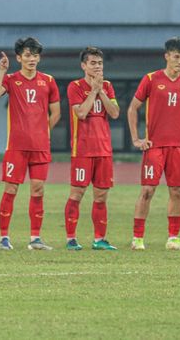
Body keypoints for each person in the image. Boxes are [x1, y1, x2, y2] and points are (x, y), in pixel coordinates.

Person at [127, 37, 180, 251]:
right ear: (167, 56)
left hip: (178, 148)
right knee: (147, 190)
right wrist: (136, 139)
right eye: (176, 57)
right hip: (154, 147)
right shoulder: (151, 79)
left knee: (177, 191)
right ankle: (137, 238)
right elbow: (133, 108)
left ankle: (173, 238)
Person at [0, 37, 61, 251]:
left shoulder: (48, 81)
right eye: (28, 55)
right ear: (19, 57)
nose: (32, 59)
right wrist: (1, 70)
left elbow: (55, 112)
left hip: (40, 147)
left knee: (38, 190)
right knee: (11, 188)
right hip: (16, 147)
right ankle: (4, 238)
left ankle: (35, 239)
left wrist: (44, 132)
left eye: (35, 55)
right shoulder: (11, 79)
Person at [64, 46, 120, 251]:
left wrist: (101, 90)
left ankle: (99, 239)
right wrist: (94, 90)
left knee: (101, 196)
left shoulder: (108, 86)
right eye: (93, 63)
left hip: (104, 150)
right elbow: (81, 113)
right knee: (77, 193)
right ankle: (71, 238)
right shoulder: (75, 86)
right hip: (83, 150)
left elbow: (114, 113)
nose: (97, 67)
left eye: (100, 63)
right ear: (83, 66)